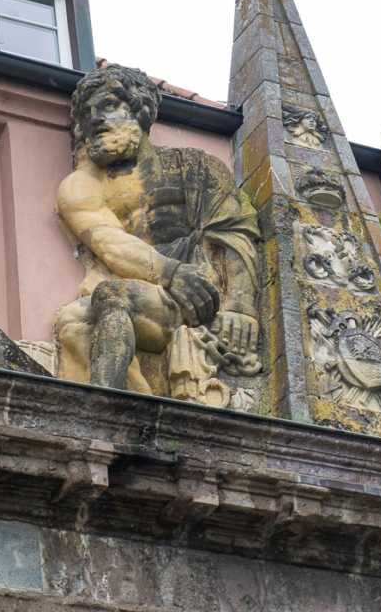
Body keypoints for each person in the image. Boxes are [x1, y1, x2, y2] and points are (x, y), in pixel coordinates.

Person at [53, 64, 260, 404]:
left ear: (139, 109)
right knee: (72, 319)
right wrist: (169, 272)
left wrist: (241, 308)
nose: (96, 120)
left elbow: (233, 233)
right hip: (155, 289)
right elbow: (107, 242)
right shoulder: (83, 185)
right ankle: (134, 405)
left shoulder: (196, 166)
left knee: (112, 296)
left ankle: (106, 408)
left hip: (199, 292)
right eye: (87, 115)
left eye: (107, 106)